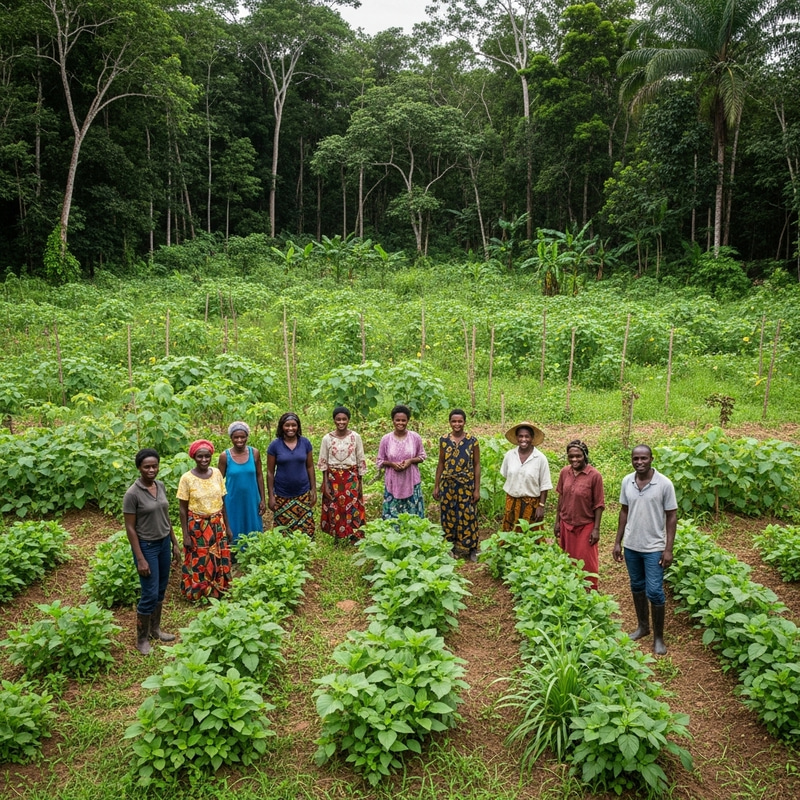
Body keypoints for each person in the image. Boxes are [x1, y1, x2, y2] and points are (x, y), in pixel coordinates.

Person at [613, 444, 678, 656]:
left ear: (652, 459)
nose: (639, 462)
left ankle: (658, 637)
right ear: (632, 460)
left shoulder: (664, 484)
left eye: (644, 458)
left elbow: (671, 516)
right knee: (637, 586)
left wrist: (668, 549)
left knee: (655, 591)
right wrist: (617, 541)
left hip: (654, 548)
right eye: (636, 459)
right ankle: (643, 627)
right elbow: (624, 511)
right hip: (632, 545)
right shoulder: (627, 481)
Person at [123, 448, 181, 655]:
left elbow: (166, 517)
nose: (151, 470)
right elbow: (130, 528)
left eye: (154, 466)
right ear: (139, 467)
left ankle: (155, 629)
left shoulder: (161, 486)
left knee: (160, 590)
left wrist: (174, 543)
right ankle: (141, 639)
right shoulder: (132, 494)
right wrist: (140, 558)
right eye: (146, 466)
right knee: (149, 592)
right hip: (147, 546)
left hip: (164, 543)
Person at [177, 439, 232, 601]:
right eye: (200, 456)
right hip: (197, 526)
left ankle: (218, 590)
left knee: (218, 556)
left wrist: (227, 527)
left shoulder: (216, 474)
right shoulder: (186, 478)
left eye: (207, 456)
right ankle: (199, 593)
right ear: (194, 457)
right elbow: (182, 509)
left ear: (211, 456)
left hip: (217, 523)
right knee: (199, 558)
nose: (203, 460)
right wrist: (185, 535)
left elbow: (223, 503)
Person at [553, 440, 605, 590]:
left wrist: (596, 529)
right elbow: (561, 497)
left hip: (585, 525)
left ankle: (589, 592)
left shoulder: (594, 476)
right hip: (566, 523)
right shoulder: (565, 472)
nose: (574, 460)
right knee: (568, 559)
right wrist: (557, 521)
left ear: (585, 456)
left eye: (578, 456)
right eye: (571, 456)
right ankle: (572, 591)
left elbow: (599, 505)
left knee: (587, 562)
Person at [434, 409, 481, 561]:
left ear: (464, 422)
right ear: (450, 422)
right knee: (448, 514)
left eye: (460, 421)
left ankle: (472, 547)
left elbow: (477, 465)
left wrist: (476, 489)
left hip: (466, 484)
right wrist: (437, 486)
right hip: (448, 484)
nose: (457, 424)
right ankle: (450, 546)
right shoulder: (444, 440)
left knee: (468, 514)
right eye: (454, 421)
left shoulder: (472, 441)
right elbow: (441, 463)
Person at [318, 406, 366, 542]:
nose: (341, 422)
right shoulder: (327, 438)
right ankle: (336, 536)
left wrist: (360, 482)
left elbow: (360, 458)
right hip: (333, 477)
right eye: (338, 419)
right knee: (334, 505)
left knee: (352, 505)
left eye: (344, 419)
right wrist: (325, 483)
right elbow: (323, 462)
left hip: (351, 476)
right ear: (334, 420)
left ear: (348, 420)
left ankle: (353, 535)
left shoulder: (355, 437)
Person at [267, 412, 316, 536]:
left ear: (298, 427)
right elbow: (270, 472)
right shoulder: (275, 445)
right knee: (283, 530)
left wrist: (313, 490)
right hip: (282, 494)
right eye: (287, 425)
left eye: (293, 425)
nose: (290, 428)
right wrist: (271, 496)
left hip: (303, 493)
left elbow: (310, 467)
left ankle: (304, 552)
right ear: (281, 427)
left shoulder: (305, 443)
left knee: (305, 528)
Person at [218, 421, 265, 548]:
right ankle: (234, 552)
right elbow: (218, 480)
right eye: (236, 437)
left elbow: (259, 476)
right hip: (232, 499)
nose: (239, 440)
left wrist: (262, 499)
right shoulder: (224, 456)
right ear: (231, 438)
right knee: (234, 524)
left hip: (251, 497)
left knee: (253, 523)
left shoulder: (254, 453)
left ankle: (253, 551)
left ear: (247, 437)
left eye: (242, 437)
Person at [500, 422, 552, 533]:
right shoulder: (509, 455)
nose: (524, 439)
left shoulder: (540, 458)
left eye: (527, 436)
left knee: (530, 536)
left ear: (532, 438)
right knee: (510, 534)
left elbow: (545, 484)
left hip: (531, 504)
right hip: (512, 502)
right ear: (517, 438)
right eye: (521, 436)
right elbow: (506, 475)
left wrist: (541, 506)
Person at [376, 404, 427, 519]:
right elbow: (380, 460)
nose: (400, 423)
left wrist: (410, 461)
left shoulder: (415, 437)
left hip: (412, 480)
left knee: (413, 517)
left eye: (403, 420)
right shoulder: (386, 439)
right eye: (397, 420)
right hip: (392, 482)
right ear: (392, 421)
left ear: (408, 421)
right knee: (392, 517)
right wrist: (391, 464)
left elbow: (422, 456)